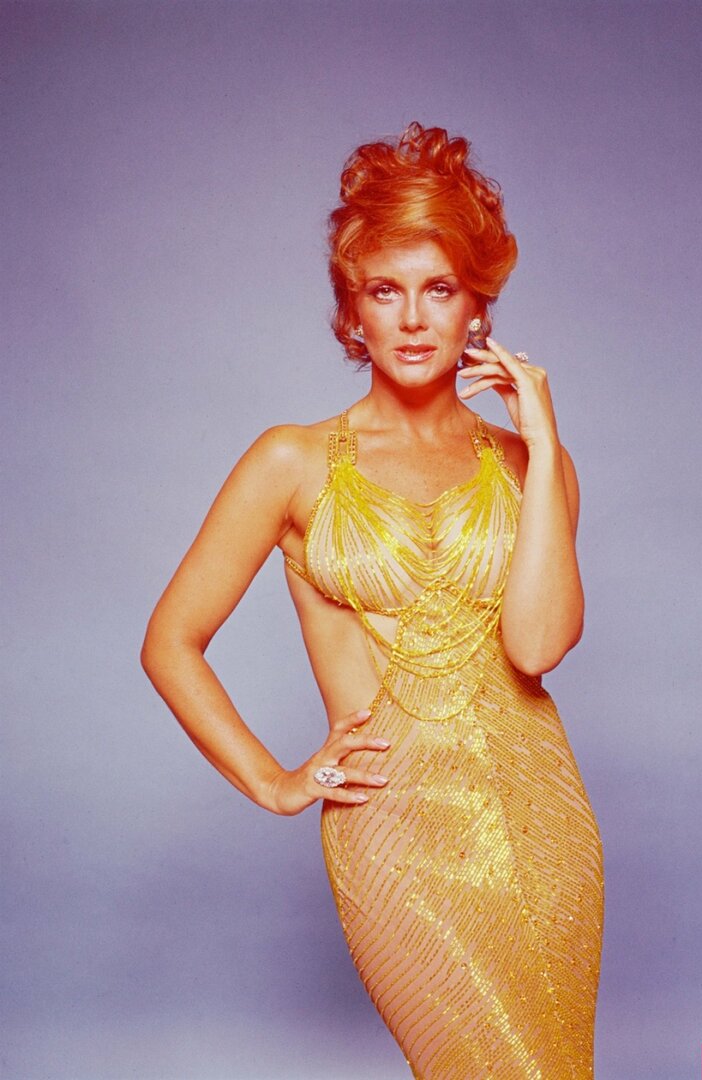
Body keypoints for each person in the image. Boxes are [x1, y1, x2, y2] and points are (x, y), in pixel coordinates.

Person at [141, 122, 603, 1079]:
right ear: (352, 310)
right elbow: (170, 642)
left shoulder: (532, 464)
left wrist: (544, 433)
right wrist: (276, 783)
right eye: (385, 291)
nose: (414, 319)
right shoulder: (291, 460)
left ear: (478, 306)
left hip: (542, 817)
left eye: (441, 288)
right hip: (396, 830)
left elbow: (537, 646)